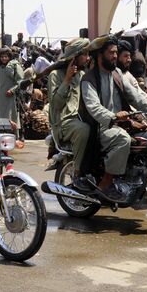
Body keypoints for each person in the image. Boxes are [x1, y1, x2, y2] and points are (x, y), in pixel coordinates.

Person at [79, 37, 147, 201]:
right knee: (123, 139)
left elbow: (137, 99)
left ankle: (134, 178)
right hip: (100, 128)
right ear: (100, 55)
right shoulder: (89, 79)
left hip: (120, 124)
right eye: (111, 53)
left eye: (116, 52)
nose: (115, 56)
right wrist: (113, 116)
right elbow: (94, 107)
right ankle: (106, 184)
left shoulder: (117, 75)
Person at [47, 38, 91, 192]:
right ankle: (77, 173)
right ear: (74, 58)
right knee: (83, 130)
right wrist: (67, 79)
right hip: (63, 123)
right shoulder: (55, 75)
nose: (87, 58)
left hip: (78, 119)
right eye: (84, 54)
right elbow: (57, 105)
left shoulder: (82, 75)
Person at [0, 47, 24, 135]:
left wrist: (12, 90)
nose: (4, 58)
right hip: (1, 98)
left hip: (12, 97)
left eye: (6, 56)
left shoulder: (15, 65)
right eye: (2, 57)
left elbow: (21, 81)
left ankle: (15, 136)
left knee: (12, 116)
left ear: (9, 57)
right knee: (1, 118)